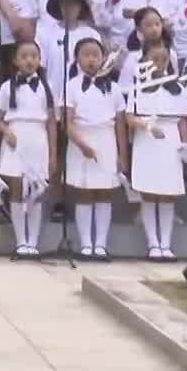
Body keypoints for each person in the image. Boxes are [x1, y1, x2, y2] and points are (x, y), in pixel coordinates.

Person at [126, 21, 187, 260]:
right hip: (147, 139)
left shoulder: (178, 89)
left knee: (168, 192)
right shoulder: (137, 88)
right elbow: (129, 117)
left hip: (170, 139)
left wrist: (186, 146)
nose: (160, 64)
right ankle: (153, 243)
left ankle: (166, 243)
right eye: (155, 59)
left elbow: (183, 120)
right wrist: (148, 126)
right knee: (150, 191)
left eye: (164, 60)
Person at [64, 36, 125, 260]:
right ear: (77, 58)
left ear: (103, 58)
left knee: (104, 192)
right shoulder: (70, 86)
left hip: (106, 140)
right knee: (84, 191)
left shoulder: (115, 89)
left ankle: (100, 244)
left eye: (95, 55)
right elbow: (67, 122)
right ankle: (85, 244)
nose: (91, 59)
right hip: (81, 140)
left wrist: (122, 155)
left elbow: (119, 125)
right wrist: (81, 144)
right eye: (86, 55)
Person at [0, 39, 56, 259]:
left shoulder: (47, 88)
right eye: (24, 56)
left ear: (40, 60)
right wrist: (6, 131)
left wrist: (53, 153)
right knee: (18, 189)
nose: (29, 60)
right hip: (16, 139)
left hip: (38, 139)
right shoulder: (7, 87)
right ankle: (21, 240)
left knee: (37, 191)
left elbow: (51, 123)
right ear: (15, 60)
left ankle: (33, 241)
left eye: (34, 56)